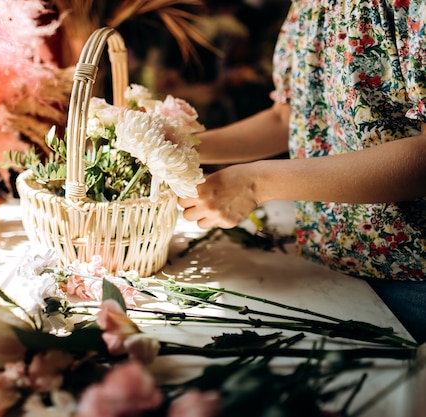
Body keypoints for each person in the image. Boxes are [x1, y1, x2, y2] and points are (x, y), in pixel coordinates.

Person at [178, 1, 426, 344]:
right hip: (323, 257)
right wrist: (181, 146)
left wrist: (255, 184)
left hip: (408, 279)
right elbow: (290, 118)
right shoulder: (308, 5)